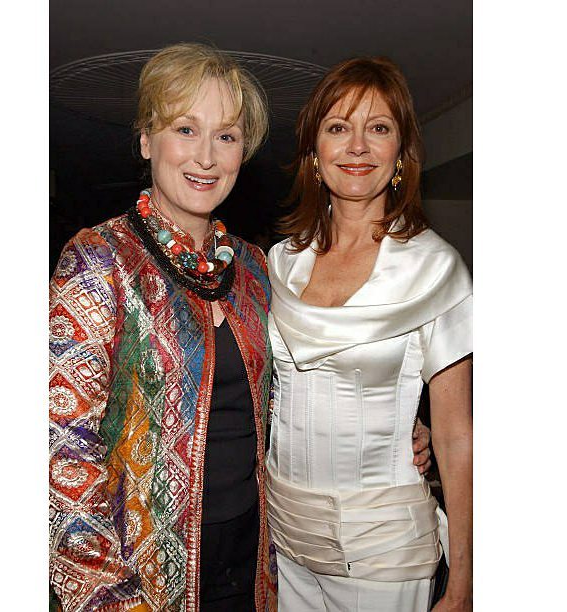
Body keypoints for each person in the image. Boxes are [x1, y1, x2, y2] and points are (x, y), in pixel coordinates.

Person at [49, 43, 432, 612]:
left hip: (262, 561)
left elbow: (295, 387)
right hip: (142, 576)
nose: (206, 156)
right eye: (185, 129)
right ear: (147, 140)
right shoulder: (100, 260)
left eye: (226, 136)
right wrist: (109, 596)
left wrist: (392, 424)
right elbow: (60, 447)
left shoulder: (254, 267)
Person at [265, 56, 472, 611]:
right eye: (338, 127)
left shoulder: (435, 269)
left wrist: (465, 584)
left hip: (385, 550)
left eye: (378, 128)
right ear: (314, 153)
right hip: (286, 538)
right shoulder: (280, 264)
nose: (357, 146)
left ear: (401, 153)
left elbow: (457, 435)